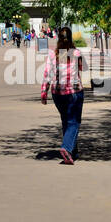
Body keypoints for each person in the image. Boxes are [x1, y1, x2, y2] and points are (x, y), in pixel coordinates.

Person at [41, 26, 87, 164]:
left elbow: (47, 74)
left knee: (66, 120)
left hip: (57, 93)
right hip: (74, 92)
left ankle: (73, 151)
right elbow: (83, 68)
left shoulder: (52, 54)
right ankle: (66, 148)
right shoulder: (76, 52)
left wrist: (44, 92)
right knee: (74, 122)